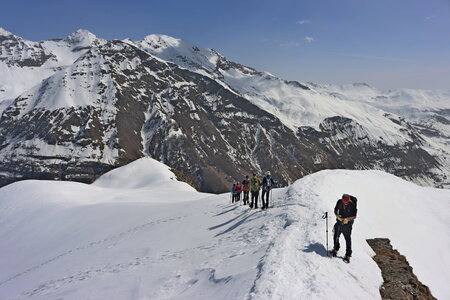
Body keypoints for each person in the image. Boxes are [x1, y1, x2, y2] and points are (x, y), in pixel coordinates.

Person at [329, 194, 357, 263]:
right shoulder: (339, 202)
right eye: (344, 201)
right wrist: (337, 216)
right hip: (339, 222)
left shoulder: (352, 204)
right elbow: (335, 210)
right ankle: (335, 248)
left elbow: (354, 216)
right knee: (336, 235)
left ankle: (348, 255)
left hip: (347, 224)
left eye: (347, 202)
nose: (346, 203)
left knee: (347, 239)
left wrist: (347, 219)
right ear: (342, 199)